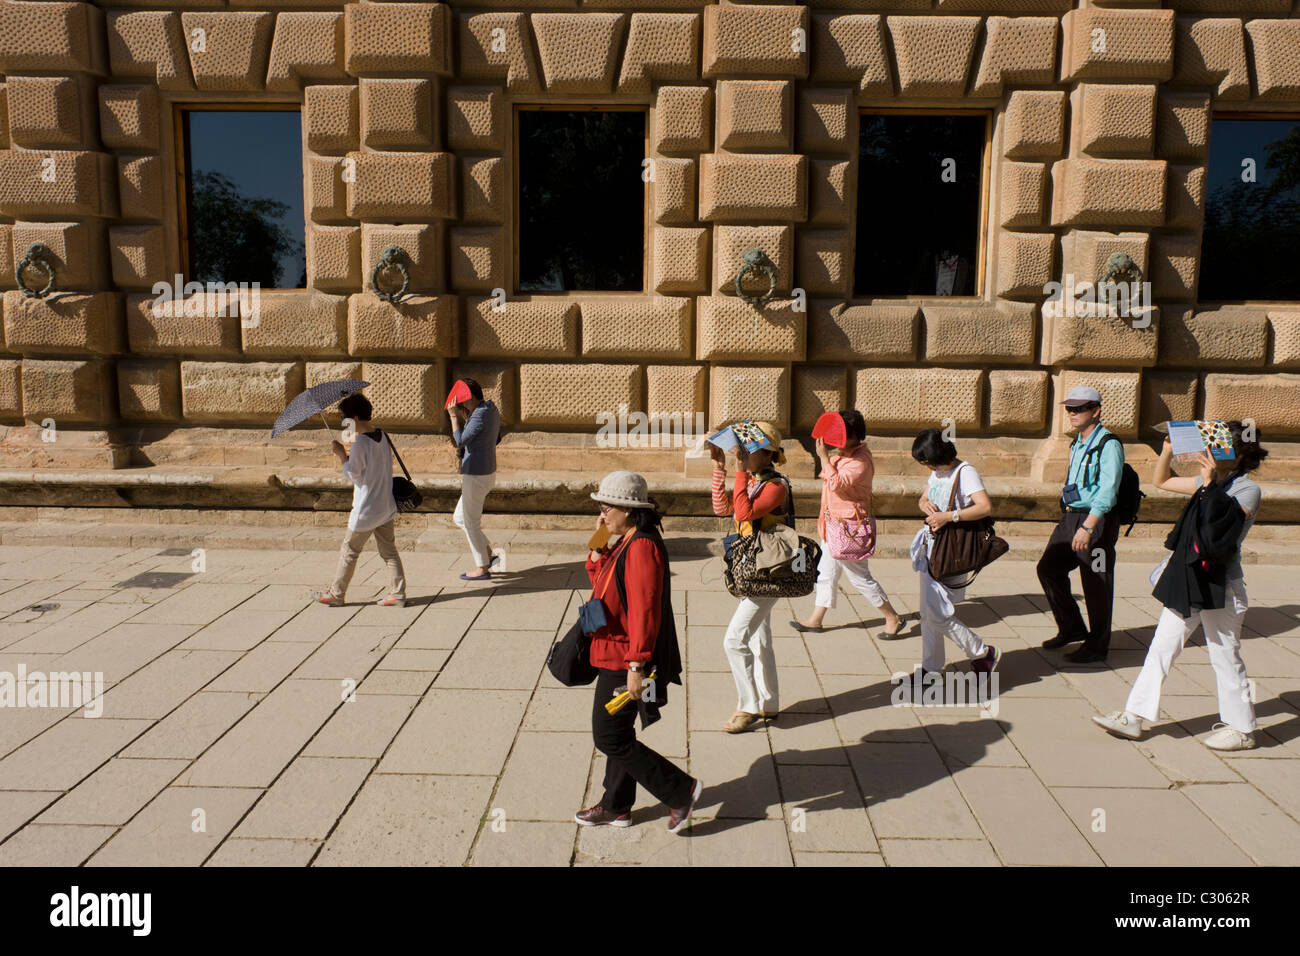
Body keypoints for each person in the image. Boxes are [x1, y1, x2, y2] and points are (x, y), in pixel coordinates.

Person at [1092, 422, 1266, 751]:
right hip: (1188, 578)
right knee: (1162, 647)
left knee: (1225, 655)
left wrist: (1211, 486)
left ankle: (1242, 729)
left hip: (1222, 583)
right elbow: (1162, 480)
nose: (1213, 448)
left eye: (1221, 443)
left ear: (1239, 453)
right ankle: (1134, 716)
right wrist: (1168, 451)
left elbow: (1219, 535)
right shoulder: (1208, 480)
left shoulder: (1247, 489)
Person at [575, 471, 701, 832]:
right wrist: (600, 535)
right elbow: (595, 574)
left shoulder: (642, 547)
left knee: (609, 736)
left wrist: (637, 664)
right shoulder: (624, 541)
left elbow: (646, 610)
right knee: (620, 734)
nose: (602, 514)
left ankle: (681, 791)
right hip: (612, 650)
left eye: (607, 507)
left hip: (625, 657)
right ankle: (616, 806)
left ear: (629, 510)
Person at [791, 409, 904, 639]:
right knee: (826, 573)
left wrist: (823, 457)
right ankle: (816, 619)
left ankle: (892, 616)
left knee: (859, 577)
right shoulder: (842, 456)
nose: (837, 441)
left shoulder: (859, 462)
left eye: (843, 436)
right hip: (834, 526)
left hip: (847, 530)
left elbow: (836, 484)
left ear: (855, 436)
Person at [711, 420, 790, 734]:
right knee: (760, 637)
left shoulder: (775, 486)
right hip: (752, 567)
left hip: (769, 571)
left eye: (749, 448)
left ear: (767, 453)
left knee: (734, 640)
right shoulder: (755, 481)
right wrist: (721, 469)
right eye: (741, 447)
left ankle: (747, 706)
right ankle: (769, 703)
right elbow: (723, 509)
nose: (741, 452)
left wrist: (740, 471)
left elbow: (744, 513)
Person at [1037, 385, 1125, 663]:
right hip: (1071, 515)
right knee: (1049, 568)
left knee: (1096, 581)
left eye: (1079, 408)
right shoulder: (1077, 441)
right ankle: (1072, 627)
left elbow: (1108, 491)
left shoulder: (1109, 444)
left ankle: (1098, 645)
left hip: (1096, 519)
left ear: (1095, 411)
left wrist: (1088, 527)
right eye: (1069, 409)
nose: (1072, 413)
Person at [909, 428, 1000, 679]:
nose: (927, 468)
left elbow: (984, 507)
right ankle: (931, 668)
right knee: (928, 613)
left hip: (953, 549)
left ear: (939, 455)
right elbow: (924, 497)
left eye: (927, 462)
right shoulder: (938, 472)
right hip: (931, 547)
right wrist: (924, 504)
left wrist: (950, 516)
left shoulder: (965, 472)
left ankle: (982, 651)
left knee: (937, 613)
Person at [315, 393, 406, 607]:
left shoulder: (360, 444)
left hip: (366, 508)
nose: (343, 422)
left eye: (344, 418)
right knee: (389, 552)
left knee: (350, 551)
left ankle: (336, 594)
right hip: (385, 505)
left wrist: (341, 455)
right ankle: (398, 593)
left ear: (354, 418)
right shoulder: (382, 436)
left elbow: (353, 474)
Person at [446, 379, 501, 581]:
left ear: (470, 396)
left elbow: (460, 441)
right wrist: (467, 419)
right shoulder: (490, 410)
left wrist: (453, 418)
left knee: (470, 522)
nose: (460, 404)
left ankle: (482, 567)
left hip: (476, 475)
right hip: (485, 472)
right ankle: (488, 554)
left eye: (463, 400)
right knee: (460, 518)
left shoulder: (480, 415)